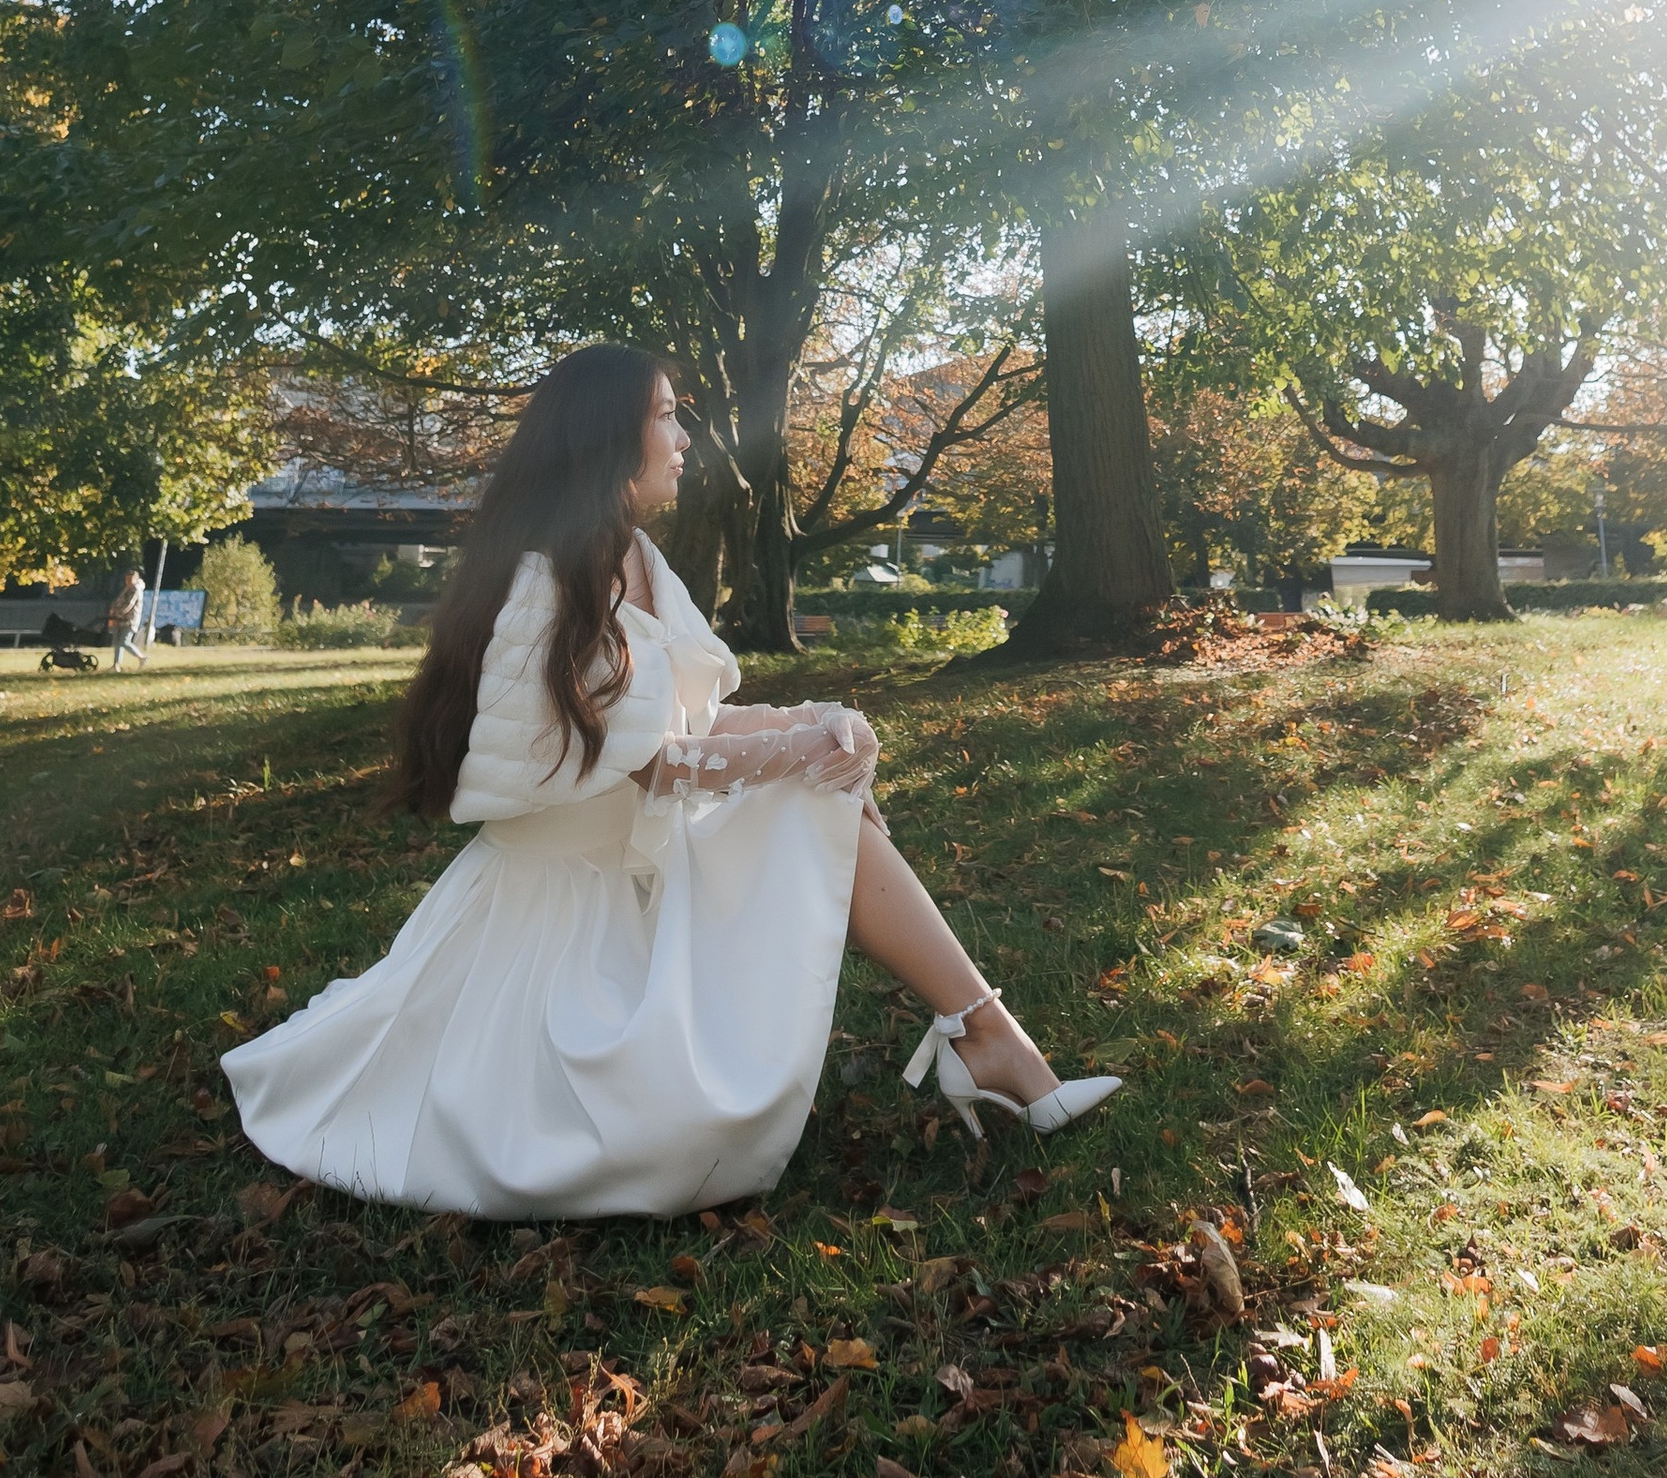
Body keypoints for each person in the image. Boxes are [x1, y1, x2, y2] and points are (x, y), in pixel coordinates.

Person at [221, 345, 1118, 1219]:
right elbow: (654, 764)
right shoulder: (541, 588)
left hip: (646, 867)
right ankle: (987, 1043)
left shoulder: (644, 564)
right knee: (813, 795)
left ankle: (988, 1036)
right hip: (563, 917)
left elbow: (688, 726)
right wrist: (808, 749)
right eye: (664, 415)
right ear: (608, 442)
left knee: (822, 792)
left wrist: (818, 723)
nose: (686, 436)